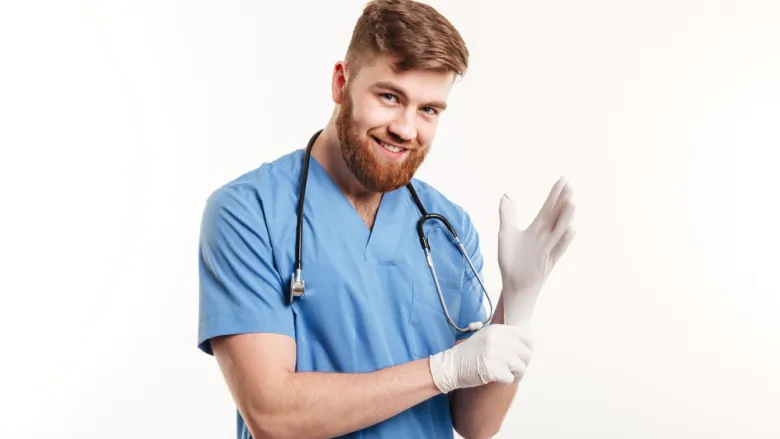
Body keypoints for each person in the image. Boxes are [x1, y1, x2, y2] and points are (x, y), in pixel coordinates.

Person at [197, 0, 576, 438]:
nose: (406, 128)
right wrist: (442, 370)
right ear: (342, 83)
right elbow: (273, 416)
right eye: (390, 97)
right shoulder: (249, 213)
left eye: (429, 109)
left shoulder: (445, 227)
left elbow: (475, 424)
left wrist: (518, 303)